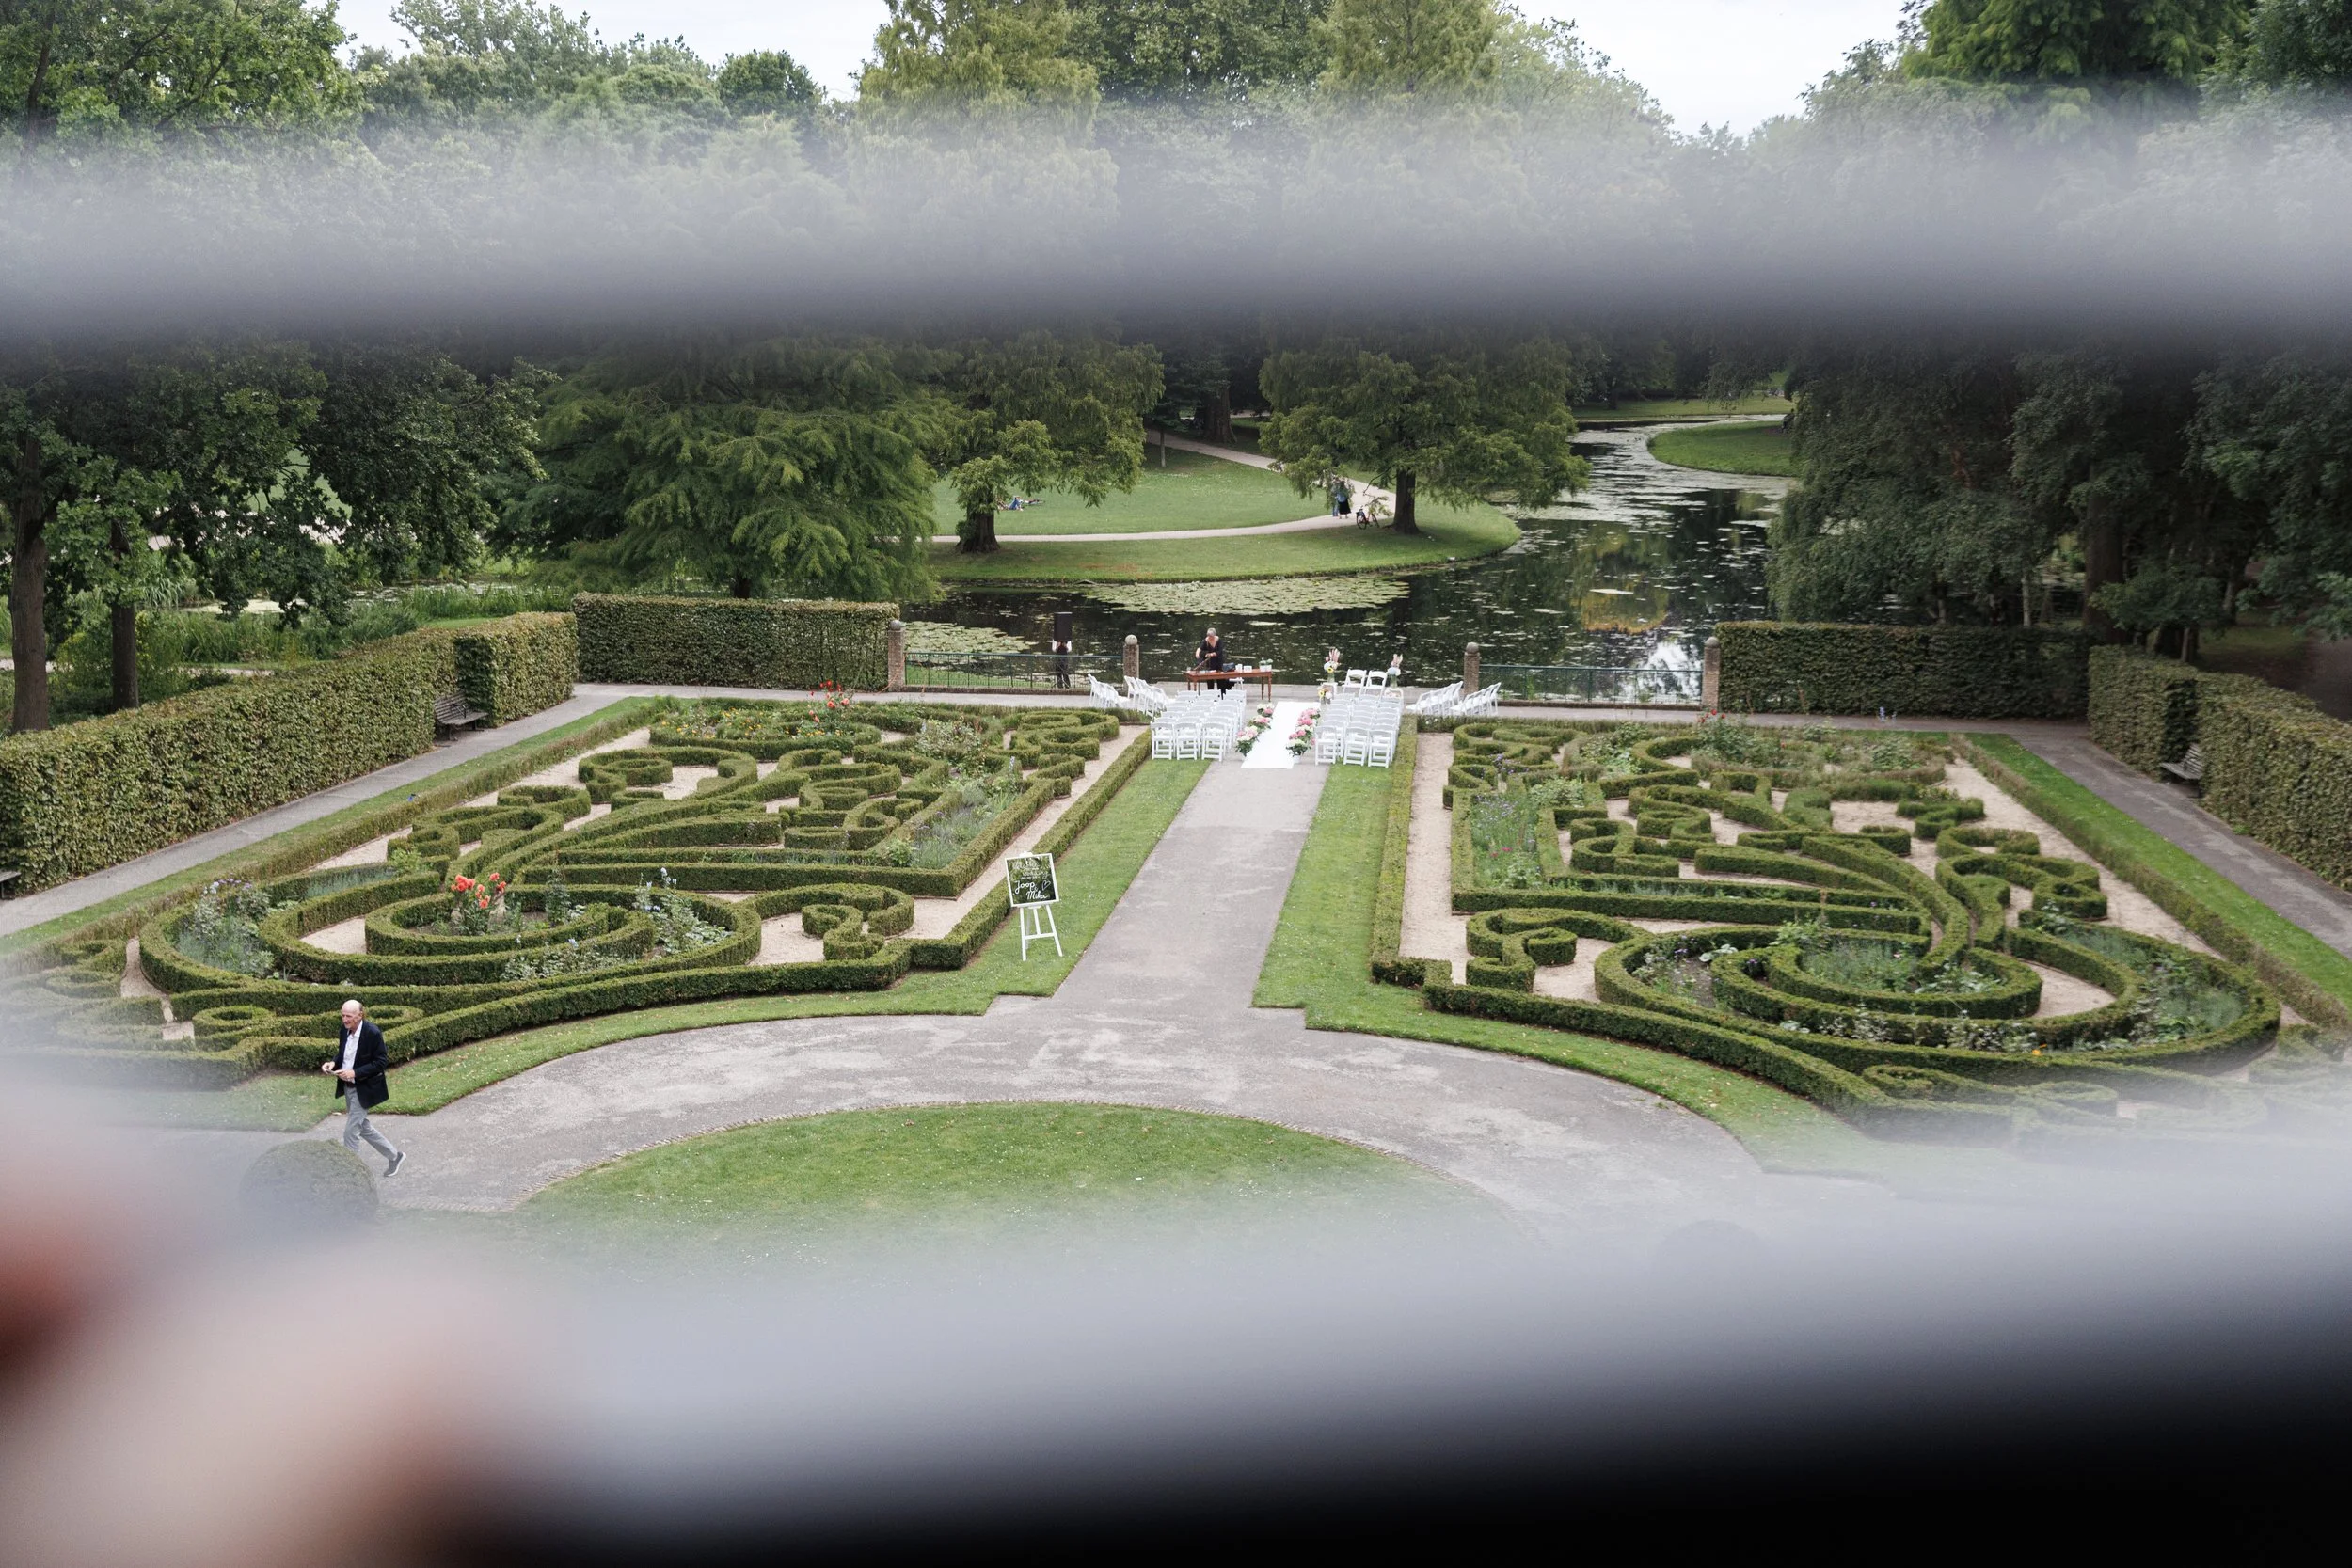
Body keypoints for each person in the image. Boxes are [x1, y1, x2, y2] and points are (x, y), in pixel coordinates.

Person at [320, 999, 404, 1177]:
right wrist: (333, 1063)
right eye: (342, 1015)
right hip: (349, 1087)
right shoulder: (344, 1030)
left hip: (364, 1088)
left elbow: (381, 1062)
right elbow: (343, 1053)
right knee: (363, 1127)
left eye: (349, 1016)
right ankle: (394, 1156)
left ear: (360, 1015)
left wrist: (354, 1073)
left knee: (351, 1132)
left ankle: (349, 1173)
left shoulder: (372, 1033)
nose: (344, 1020)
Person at [1194, 628, 1231, 693]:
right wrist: (1197, 652)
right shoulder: (1206, 640)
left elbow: (1219, 652)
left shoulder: (1219, 640)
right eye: (1209, 636)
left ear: (1214, 635)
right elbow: (1200, 648)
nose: (1210, 638)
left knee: (1220, 680)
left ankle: (1221, 694)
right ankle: (1211, 694)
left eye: (1211, 637)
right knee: (1210, 680)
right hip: (1210, 663)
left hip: (1218, 662)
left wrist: (1211, 654)